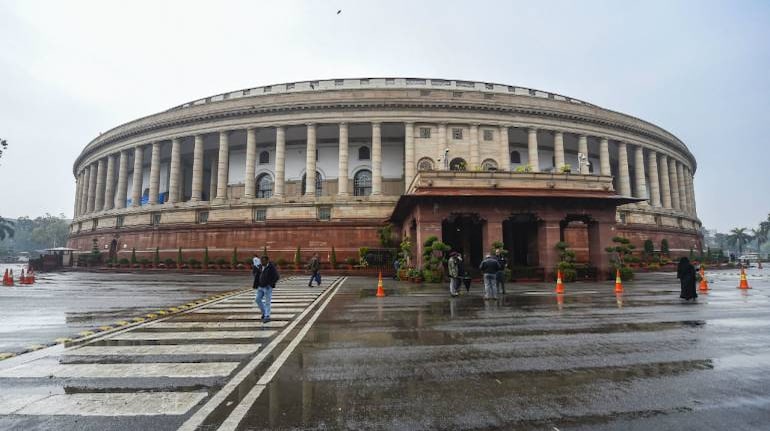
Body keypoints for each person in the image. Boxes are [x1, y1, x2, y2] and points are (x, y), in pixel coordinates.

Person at [255, 255, 280, 323]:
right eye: (261, 261)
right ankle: (264, 312)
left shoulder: (271, 267)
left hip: (267, 287)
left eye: (263, 261)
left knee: (267, 302)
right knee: (257, 299)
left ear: (267, 261)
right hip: (260, 286)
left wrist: (270, 284)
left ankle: (267, 316)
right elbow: (257, 275)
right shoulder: (260, 266)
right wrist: (256, 284)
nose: (262, 262)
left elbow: (277, 277)